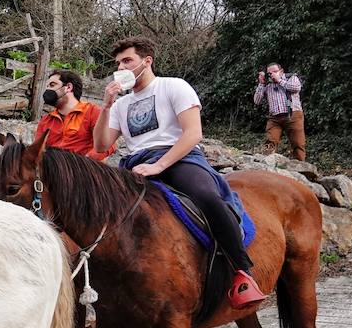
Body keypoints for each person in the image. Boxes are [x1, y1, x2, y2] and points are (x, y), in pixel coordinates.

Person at [93, 36, 265, 309]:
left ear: (147, 61)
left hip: (178, 157)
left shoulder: (173, 86)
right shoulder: (121, 105)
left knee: (207, 197)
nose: (121, 68)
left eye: (127, 61)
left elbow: (193, 133)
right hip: (136, 164)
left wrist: (159, 166)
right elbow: (101, 145)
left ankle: (242, 272)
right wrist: (106, 106)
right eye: (118, 64)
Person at [35, 69, 112, 161]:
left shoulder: (92, 112)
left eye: (52, 85)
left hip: (83, 168)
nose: (48, 90)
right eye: (47, 86)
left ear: (68, 87)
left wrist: (85, 161)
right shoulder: (45, 121)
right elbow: (37, 150)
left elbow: (109, 145)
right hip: (53, 168)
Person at [254, 62, 306, 161]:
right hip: (274, 118)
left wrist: (279, 80)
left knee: (298, 143)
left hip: (293, 115)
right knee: (270, 141)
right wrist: (261, 84)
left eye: (275, 72)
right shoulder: (267, 84)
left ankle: (301, 166)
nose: (272, 75)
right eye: (269, 73)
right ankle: (267, 164)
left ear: (281, 71)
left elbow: (296, 88)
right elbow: (257, 101)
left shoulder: (291, 77)